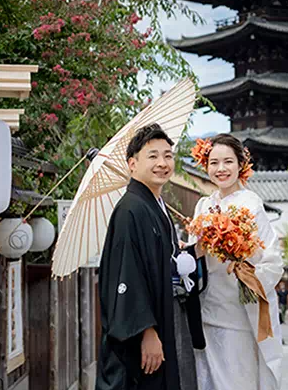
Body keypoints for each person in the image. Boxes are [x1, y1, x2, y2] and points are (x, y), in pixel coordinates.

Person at [96, 123, 204, 390]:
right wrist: (147, 332)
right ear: (132, 164)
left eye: (168, 155)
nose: (162, 163)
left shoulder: (155, 204)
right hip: (146, 330)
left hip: (165, 314)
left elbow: (158, 261)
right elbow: (128, 272)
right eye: (152, 156)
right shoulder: (130, 210)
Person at [191, 134, 284, 390]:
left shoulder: (251, 203)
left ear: (241, 164)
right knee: (209, 378)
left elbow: (273, 259)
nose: (221, 169)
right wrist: (194, 249)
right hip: (209, 307)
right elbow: (194, 257)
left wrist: (247, 269)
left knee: (239, 378)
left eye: (228, 162)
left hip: (241, 310)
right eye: (214, 162)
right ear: (205, 165)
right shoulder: (203, 206)